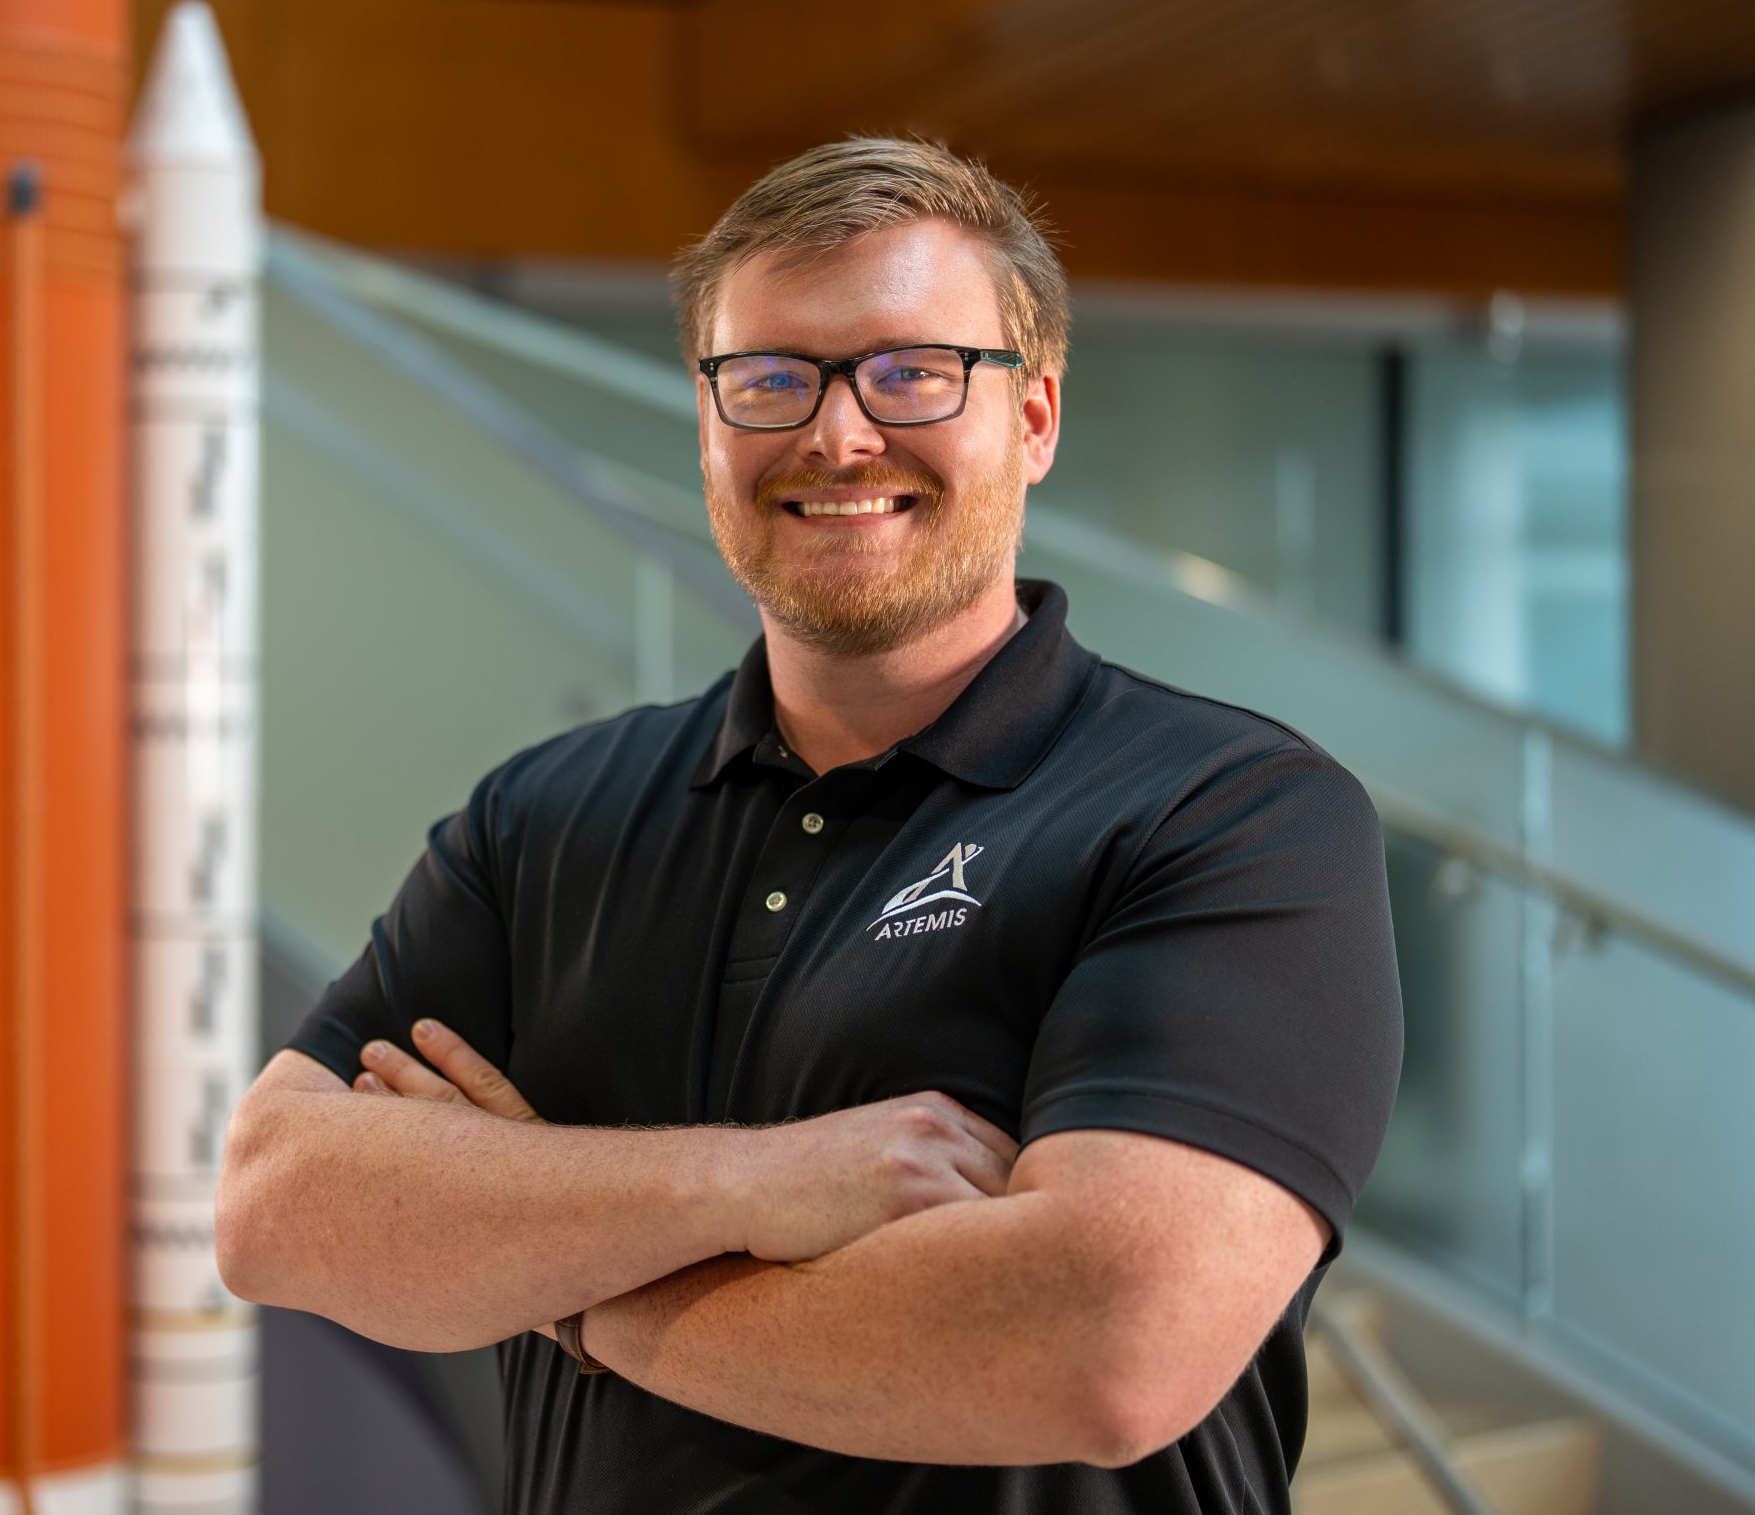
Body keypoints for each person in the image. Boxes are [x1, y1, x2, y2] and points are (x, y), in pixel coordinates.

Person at [215, 136, 1404, 1513]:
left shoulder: (1230, 816)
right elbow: (274, 1203)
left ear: (1033, 419)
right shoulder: (543, 819)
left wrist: (563, 1286)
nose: (839, 434)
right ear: (709, 422)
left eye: (913, 371)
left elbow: (1102, 1346)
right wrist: (763, 1182)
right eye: (773, 378)